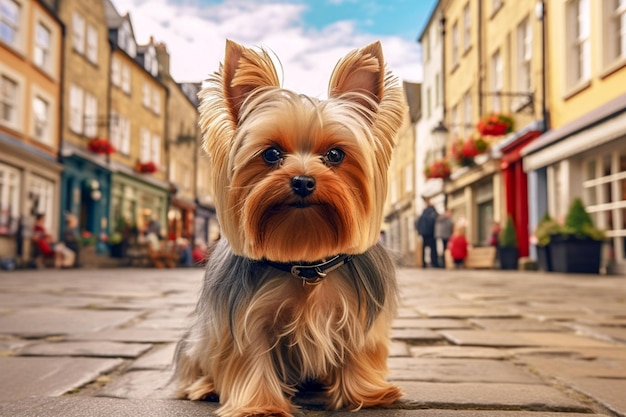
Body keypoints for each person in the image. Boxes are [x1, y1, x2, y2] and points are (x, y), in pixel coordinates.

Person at [415, 197, 439, 268]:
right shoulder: (432, 212)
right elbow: (434, 221)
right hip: (431, 233)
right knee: (433, 249)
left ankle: (424, 264)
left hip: (424, 233)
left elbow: (418, 223)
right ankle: (434, 263)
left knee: (424, 249)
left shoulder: (423, 213)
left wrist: (419, 231)